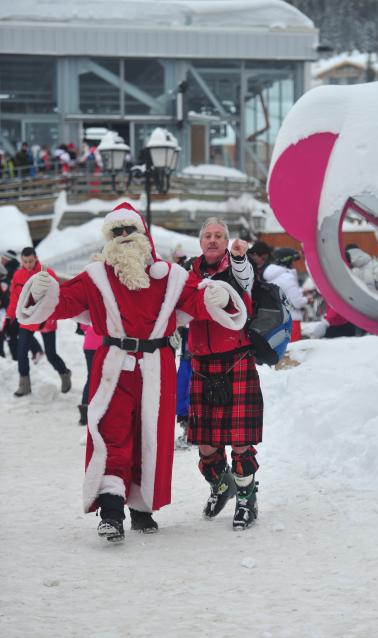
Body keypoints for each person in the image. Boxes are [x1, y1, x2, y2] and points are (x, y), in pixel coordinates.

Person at [16, 203, 245, 542]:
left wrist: (216, 297)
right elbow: (63, 302)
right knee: (112, 433)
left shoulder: (170, 277)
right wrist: (42, 292)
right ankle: (111, 511)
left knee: (150, 436)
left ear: (143, 236)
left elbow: (197, 304)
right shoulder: (95, 277)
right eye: (116, 232)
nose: (124, 237)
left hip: (157, 367)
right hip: (114, 367)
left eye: (129, 231)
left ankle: (141, 507)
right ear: (108, 240)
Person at [186, 217, 263, 530]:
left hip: (236, 359)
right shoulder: (188, 271)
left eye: (219, 236)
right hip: (202, 364)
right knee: (205, 444)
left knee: (240, 442)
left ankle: (246, 499)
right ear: (201, 241)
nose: (213, 240)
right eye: (208, 236)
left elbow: (245, 279)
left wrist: (240, 256)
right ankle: (222, 485)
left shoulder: (236, 267)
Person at [6, 247, 71, 397]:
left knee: (50, 354)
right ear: (21, 260)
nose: (28, 264)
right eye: (25, 261)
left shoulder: (46, 273)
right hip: (27, 318)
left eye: (30, 261)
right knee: (21, 352)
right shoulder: (18, 275)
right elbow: (15, 298)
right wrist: (10, 317)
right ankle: (24, 384)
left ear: (36, 258)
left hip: (46, 318)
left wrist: (53, 314)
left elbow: (56, 295)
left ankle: (64, 373)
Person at [263, 247, 310, 342]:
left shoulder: (272, 275)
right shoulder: (288, 277)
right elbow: (297, 302)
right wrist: (308, 299)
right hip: (291, 320)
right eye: (293, 261)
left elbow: (284, 294)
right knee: (293, 352)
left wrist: (300, 292)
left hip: (275, 320)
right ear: (288, 261)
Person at [77, 324, 103, 426]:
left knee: (91, 376)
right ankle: (101, 409)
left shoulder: (91, 310)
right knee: (103, 377)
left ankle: (84, 411)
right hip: (103, 345)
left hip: (89, 346)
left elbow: (82, 327)